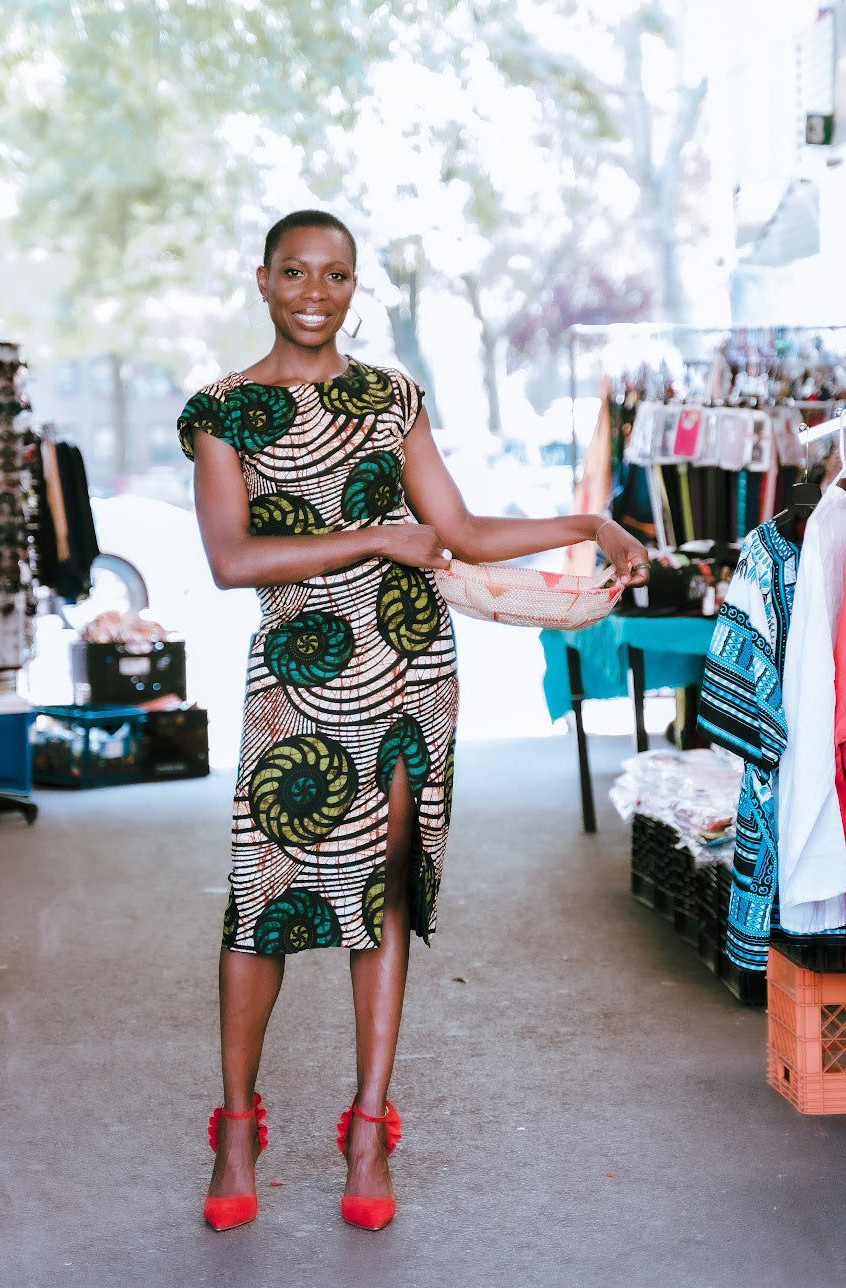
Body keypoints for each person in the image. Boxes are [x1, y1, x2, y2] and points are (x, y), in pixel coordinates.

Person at [178, 209, 649, 1233]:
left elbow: (461, 531)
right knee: (261, 902)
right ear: (261, 280)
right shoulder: (223, 411)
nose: (315, 291)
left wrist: (588, 519)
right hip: (297, 676)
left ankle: (365, 1124)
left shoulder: (393, 398)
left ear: (355, 285)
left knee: (383, 895)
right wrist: (374, 537)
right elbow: (232, 559)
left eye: (336, 274)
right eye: (295, 272)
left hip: (409, 669)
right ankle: (234, 1126)